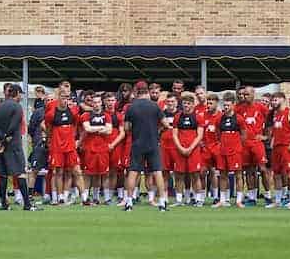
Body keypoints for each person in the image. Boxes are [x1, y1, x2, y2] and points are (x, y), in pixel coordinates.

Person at [0, 83, 36, 210]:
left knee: (3, 174)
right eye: (20, 94)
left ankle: (4, 204)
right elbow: (14, 125)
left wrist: (2, 138)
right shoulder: (17, 107)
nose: (21, 97)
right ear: (16, 93)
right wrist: (7, 138)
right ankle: (27, 204)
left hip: (1, 145)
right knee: (20, 173)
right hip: (13, 144)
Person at [123, 82, 168, 212]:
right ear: (147, 92)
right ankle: (162, 202)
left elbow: (126, 128)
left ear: (137, 92)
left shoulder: (131, 108)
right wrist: (157, 130)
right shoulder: (155, 106)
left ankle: (129, 202)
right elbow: (165, 124)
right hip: (153, 143)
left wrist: (136, 128)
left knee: (133, 172)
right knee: (157, 171)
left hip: (137, 143)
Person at [44, 87, 84, 205]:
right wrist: (51, 141)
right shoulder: (51, 114)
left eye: (67, 98)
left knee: (77, 171)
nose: (65, 100)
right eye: (63, 97)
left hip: (70, 147)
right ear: (58, 98)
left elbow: (76, 126)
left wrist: (75, 140)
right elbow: (48, 129)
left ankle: (85, 198)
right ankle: (60, 197)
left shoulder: (74, 111)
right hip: (57, 147)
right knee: (58, 172)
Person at [234, 86, 271, 206]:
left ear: (253, 94)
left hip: (257, 143)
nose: (244, 97)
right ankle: (252, 197)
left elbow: (271, 122)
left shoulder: (261, 107)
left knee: (263, 169)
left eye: (247, 94)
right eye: (243, 95)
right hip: (244, 144)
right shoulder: (238, 108)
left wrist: (266, 137)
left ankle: (268, 195)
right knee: (249, 171)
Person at [268, 91, 290, 209]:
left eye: (275, 100)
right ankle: (277, 201)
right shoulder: (275, 114)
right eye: (272, 100)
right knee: (276, 174)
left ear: (282, 99)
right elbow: (276, 130)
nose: (273, 102)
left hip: (286, 147)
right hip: (276, 148)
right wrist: (273, 141)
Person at [80, 92, 114, 205]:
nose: (96, 104)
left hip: (103, 148)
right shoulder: (86, 115)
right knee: (88, 174)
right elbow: (87, 129)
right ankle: (85, 198)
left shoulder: (107, 116)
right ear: (91, 104)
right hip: (90, 148)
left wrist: (94, 128)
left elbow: (109, 130)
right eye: (94, 102)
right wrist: (101, 127)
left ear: (101, 103)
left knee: (103, 173)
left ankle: (103, 198)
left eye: (98, 102)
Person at [213, 92, 245, 208]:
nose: (225, 107)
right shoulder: (219, 118)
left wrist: (237, 146)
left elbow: (243, 135)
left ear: (233, 105)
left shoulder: (239, 119)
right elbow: (217, 133)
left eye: (228, 105)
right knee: (222, 175)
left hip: (235, 150)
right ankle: (222, 200)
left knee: (238, 175)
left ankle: (239, 200)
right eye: (224, 105)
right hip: (222, 150)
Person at [172, 92, 204, 206]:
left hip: (193, 150)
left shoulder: (198, 117)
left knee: (195, 175)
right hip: (180, 150)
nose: (186, 105)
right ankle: (179, 200)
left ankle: (198, 199)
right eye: (184, 103)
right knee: (179, 175)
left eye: (188, 103)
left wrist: (190, 148)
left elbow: (200, 135)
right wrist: (180, 147)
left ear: (193, 105)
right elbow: (174, 134)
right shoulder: (177, 117)